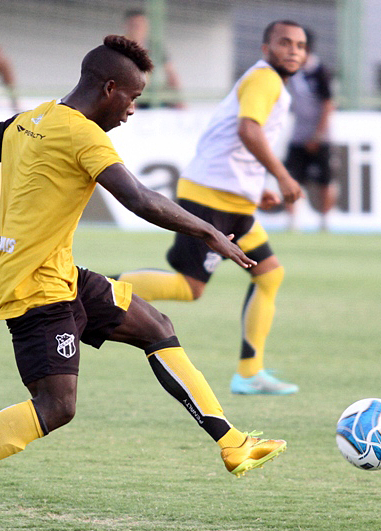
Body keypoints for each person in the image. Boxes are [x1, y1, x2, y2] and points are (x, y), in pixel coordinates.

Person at [0, 35, 286, 529]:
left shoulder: (30, 120)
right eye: (133, 98)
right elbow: (140, 199)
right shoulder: (85, 136)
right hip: (34, 290)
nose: (132, 110)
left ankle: (232, 444)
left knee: (155, 325)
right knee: (56, 408)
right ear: (109, 89)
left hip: (62, 275)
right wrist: (208, 232)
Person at [115, 21, 307, 395]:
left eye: (300, 45)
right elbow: (248, 130)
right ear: (266, 48)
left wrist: (257, 188)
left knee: (269, 275)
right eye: (285, 43)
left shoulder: (270, 83)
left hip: (232, 198)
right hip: (210, 198)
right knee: (190, 288)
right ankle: (100, 289)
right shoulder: (265, 79)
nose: (294, 50)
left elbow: (245, 138)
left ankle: (249, 374)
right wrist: (282, 177)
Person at [284, 29, 336, 231]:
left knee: (324, 180)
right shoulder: (291, 71)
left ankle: (325, 221)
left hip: (319, 136)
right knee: (290, 178)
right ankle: (292, 222)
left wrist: (318, 135)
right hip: (298, 134)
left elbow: (328, 105)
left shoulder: (320, 71)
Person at [123, 8, 183, 108]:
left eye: (141, 25)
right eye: (134, 25)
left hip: (150, 94)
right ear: (127, 26)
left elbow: (171, 73)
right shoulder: (120, 46)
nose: (138, 28)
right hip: (130, 96)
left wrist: (180, 101)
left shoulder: (154, 47)